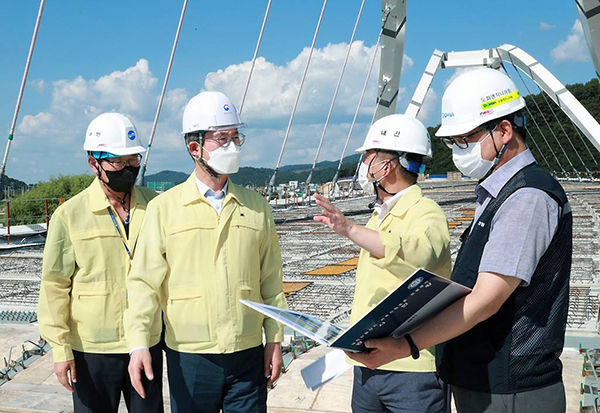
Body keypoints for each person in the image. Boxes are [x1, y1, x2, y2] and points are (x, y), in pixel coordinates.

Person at [347, 68, 572, 413]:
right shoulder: (499, 195)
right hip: (485, 380)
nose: (457, 150)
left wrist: (405, 345)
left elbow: (486, 300)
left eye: (464, 140)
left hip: (510, 389)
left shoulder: (527, 197)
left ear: (504, 131)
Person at [125, 91, 287, 413]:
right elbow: (143, 283)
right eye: (222, 138)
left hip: (247, 353)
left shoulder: (256, 207)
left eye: (235, 138)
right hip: (190, 357)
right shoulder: (164, 209)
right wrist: (138, 343)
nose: (232, 146)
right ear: (195, 148)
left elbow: (270, 280)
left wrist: (275, 339)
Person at [314, 114, 452, 413]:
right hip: (367, 366)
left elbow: (420, 254)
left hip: (411, 369)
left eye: (368, 158)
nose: (365, 166)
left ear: (386, 166)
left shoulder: (426, 213)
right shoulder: (377, 216)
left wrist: (349, 229)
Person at [37, 113, 163, 412]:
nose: (128, 169)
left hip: (145, 341)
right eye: (118, 162)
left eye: (133, 161)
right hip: (92, 349)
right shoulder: (70, 216)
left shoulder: (156, 207)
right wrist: (60, 347)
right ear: (94, 163)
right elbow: (54, 284)